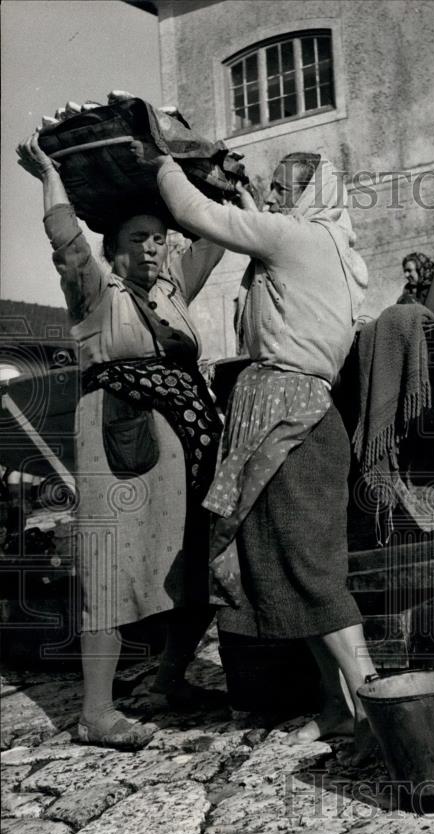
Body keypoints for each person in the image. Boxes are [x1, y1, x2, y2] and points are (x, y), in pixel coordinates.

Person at [135, 142, 376, 755]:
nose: (272, 200)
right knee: (279, 565)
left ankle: (375, 707)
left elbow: (198, 216)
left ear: (309, 196)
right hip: (282, 411)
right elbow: (252, 226)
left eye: (283, 191)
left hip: (290, 417)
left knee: (310, 569)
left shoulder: (299, 239)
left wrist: (161, 163)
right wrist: (246, 198)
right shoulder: (319, 244)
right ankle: (335, 707)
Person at [17, 132, 224, 749]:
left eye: (160, 238)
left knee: (198, 561)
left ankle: (168, 680)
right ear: (114, 250)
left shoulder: (171, 291)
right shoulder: (95, 292)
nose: (155, 249)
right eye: (140, 240)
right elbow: (64, 239)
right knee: (112, 568)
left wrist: (222, 184)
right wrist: (50, 174)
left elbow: (215, 234)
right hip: (121, 445)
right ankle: (96, 712)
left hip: (185, 448)